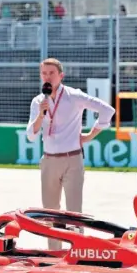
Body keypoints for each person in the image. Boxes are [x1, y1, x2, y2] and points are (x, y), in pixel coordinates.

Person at [26, 58, 115, 251]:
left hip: (72, 159)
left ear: (61, 76)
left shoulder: (74, 96)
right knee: (50, 215)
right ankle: (55, 255)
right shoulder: (38, 101)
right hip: (49, 161)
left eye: (51, 73)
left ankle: (78, 253)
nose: (47, 77)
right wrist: (41, 114)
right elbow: (31, 136)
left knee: (74, 213)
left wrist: (90, 135)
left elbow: (107, 111)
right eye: (44, 73)